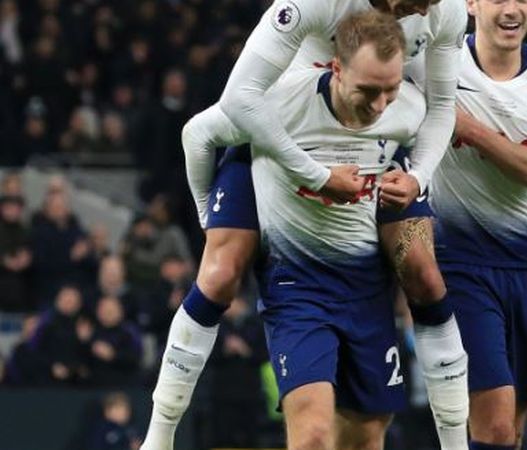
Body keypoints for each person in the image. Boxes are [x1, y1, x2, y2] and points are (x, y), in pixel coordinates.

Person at [143, 1, 470, 449]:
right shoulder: (313, 20)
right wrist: (211, 215)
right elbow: (219, 118)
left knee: (424, 275)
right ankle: (158, 438)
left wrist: (418, 177)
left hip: (379, 160)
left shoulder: (406, 95)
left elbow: (442, 106)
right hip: (276, 136)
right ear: (337, 66)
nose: (426, 6)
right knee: (220, 274)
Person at [429, 0, 527, 447]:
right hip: (460, 261)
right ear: (471, 4)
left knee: (512, 428)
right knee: (493, 423)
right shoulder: (437, 63)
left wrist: (469, 129)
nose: (513, 9)